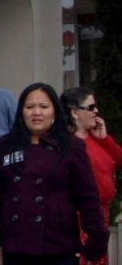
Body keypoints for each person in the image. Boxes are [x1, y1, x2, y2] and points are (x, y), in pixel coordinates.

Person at [0, 83, 107, 265]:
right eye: (30, 107)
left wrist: (96, 239)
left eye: (44, 107)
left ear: (54, 111)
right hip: (16, 243)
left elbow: (87, 198)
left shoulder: (71, 146)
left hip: (57, 244)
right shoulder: (5, 145)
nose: (37, 112)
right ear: (21, 111)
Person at [60, 87, 122, 265]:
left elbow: (119, 160)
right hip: (80, 216)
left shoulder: (96, 137)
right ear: (75, 112)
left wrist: (104, 138)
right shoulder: (67, 143)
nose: (96, 111)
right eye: (91, 107)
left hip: (101, 212)